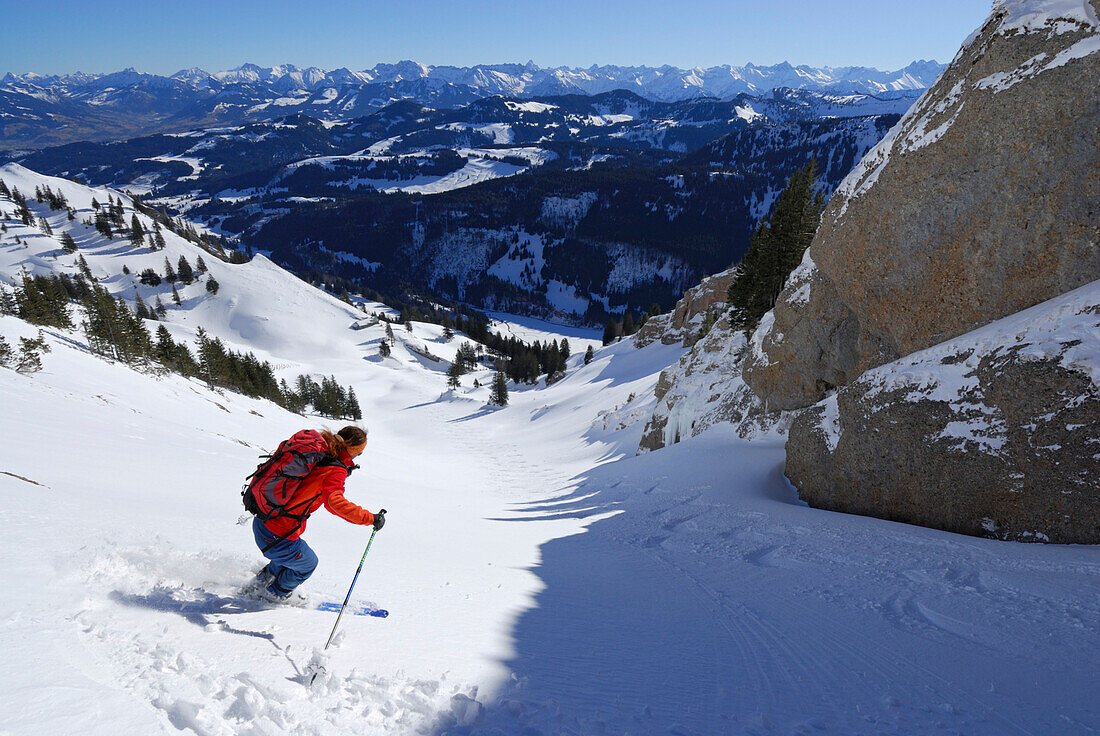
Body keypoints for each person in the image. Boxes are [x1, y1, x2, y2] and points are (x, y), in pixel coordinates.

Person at [252, 425, 385, 600]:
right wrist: (371, 518)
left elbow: (312, 479)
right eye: (359, 453)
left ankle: (259, 583)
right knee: (308, 564)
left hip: (264, 519)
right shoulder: (334, 468)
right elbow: (334, 503)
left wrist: (341, 468)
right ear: (353, 451)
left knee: (291, 557)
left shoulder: (321, 451)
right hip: (278, 533)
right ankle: (273, 596)